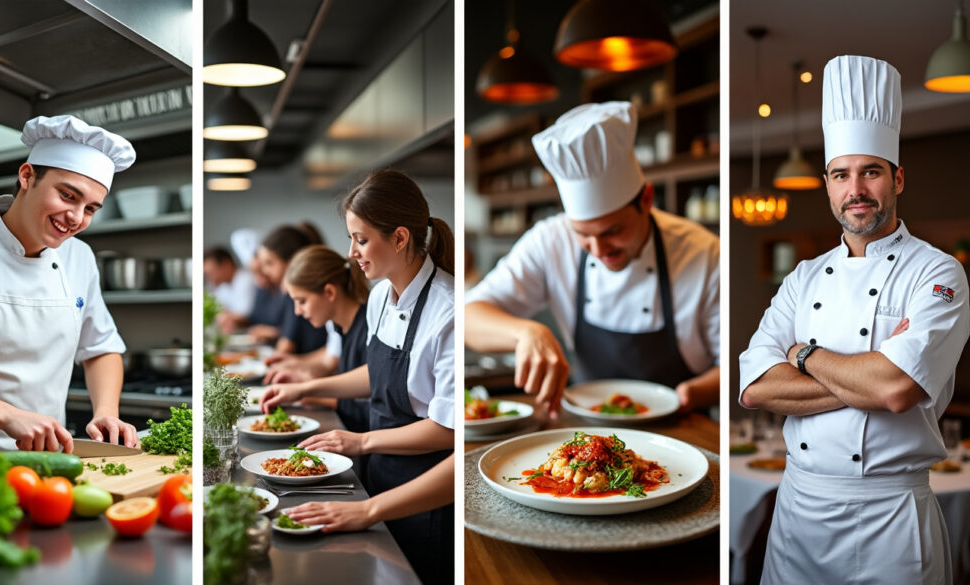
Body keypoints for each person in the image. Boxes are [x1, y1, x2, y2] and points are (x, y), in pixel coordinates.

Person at [739, 55, 970, 584]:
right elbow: (753, 388)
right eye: (841, 175)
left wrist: (802, 356)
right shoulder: (802, 276)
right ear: (827, 183)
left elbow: (894, 391)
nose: (856, 190)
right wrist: (873, 375)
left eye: (871, 171)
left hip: (890, 520)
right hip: (797, 515)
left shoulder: (938, 272)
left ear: (898, 178)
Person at [260, 170, 454, 585]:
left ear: (399, 238)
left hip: (426, 491)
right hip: (379, 476)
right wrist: (305, 387)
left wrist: (361, 440)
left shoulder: (450, 312)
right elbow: (380, 375)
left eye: (361, 239)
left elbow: (448, 430)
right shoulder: (381, 294)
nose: (351, 252)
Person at [465, 101, 720, 414]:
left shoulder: (704, 253)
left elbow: (737, 364)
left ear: (647, 200)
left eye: (613, 230)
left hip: (682, 426)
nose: (599, 250)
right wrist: (527, 332)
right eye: (583, 234)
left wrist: (690, 394)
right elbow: (468, 317)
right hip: (584, 431)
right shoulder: (550, 240)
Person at [0, 115, 140, 458]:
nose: (76, 218)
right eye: (68, 195)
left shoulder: (80, 257)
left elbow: (100, 348)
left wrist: (106, 412)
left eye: (90, 208)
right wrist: (8, 415)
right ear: (27, 176)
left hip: (48, 466)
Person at [277, 244, 371, 434]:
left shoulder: (368, 327)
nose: (297, 311)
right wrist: (303, 381)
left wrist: (311, 394)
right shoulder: (340, 327)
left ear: (329, 292)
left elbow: (371, 409)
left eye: (302, 301)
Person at [255, 225, 328, 357]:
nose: (264, 271)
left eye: (269, 263)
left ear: (292, 260)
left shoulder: (294, 292)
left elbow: (287, 345)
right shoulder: (284, 290)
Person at [203, 245, 256, 321]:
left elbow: (244, 315)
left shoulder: (247, 280)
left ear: (227, 264)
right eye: (207, 274)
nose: (210, 278)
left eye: (212, 273)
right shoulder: (222, 287)